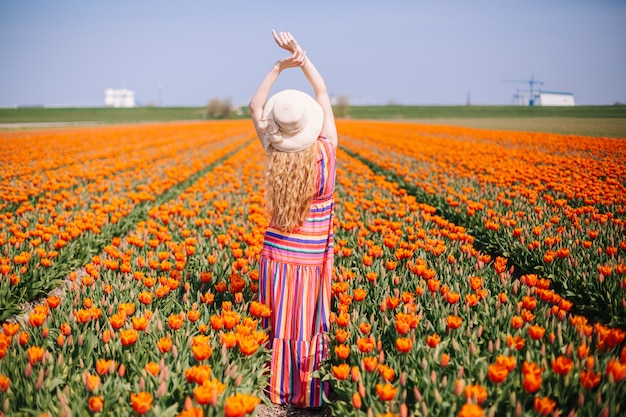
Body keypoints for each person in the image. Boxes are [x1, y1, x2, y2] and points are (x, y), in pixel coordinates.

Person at [249, 30, 337, 408]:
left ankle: (275, 390)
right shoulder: (327, 153)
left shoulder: (275, 153)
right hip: (311, 262)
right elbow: (323, 94)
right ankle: (308, 392)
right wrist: (301, 59)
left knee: (277, 325)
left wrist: (277, 67)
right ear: (310, 124)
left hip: (277, 259)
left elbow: (255, 107)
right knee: (306, 326)